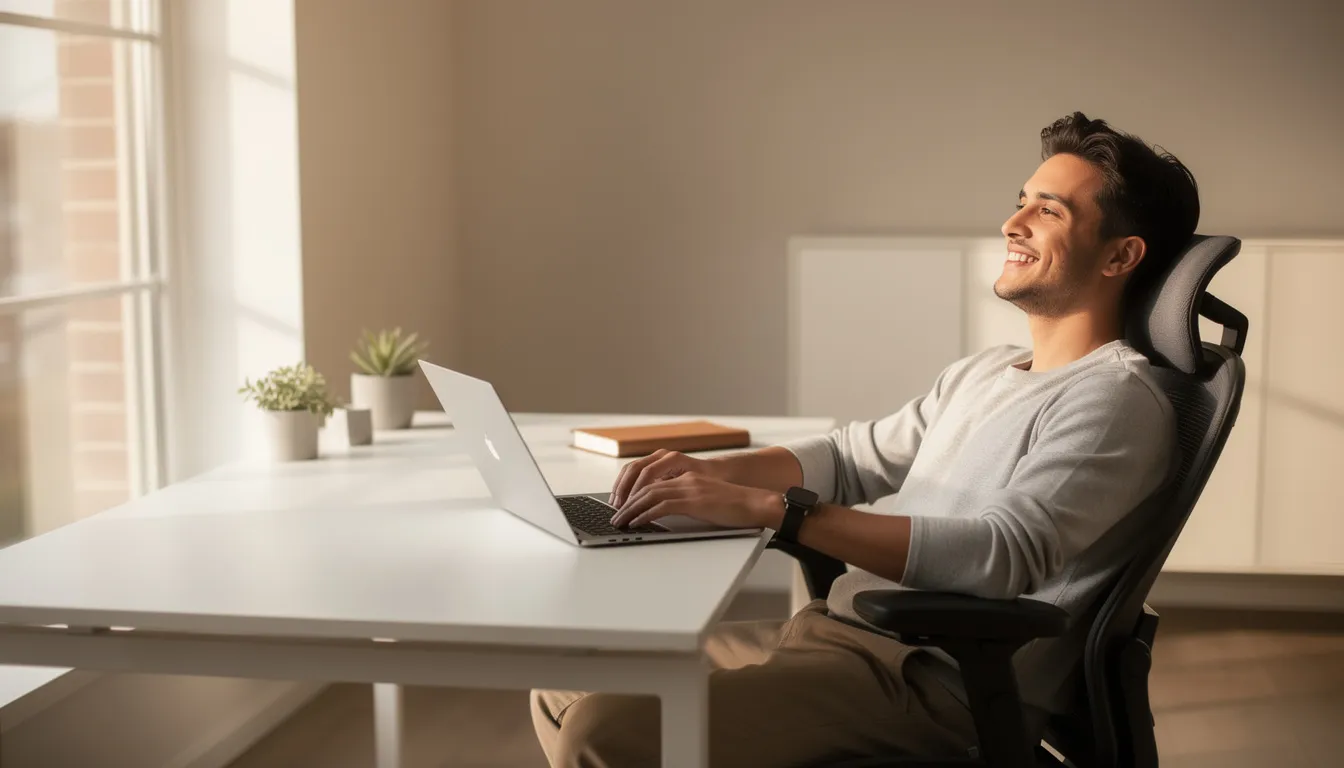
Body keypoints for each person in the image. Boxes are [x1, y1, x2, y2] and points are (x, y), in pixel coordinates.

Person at [530, 111, 1199, 766]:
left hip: (933, 680)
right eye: (1020, 201)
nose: (1011, 223)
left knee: (605, 731)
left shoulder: (1115, 400)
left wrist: (774, 511)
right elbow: (852, 459)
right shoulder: (988, 370)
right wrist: (716, 475)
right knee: (562, 683)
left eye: (1048, 211)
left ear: (1121, 254)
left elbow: (1005, 553)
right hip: (841, 636)